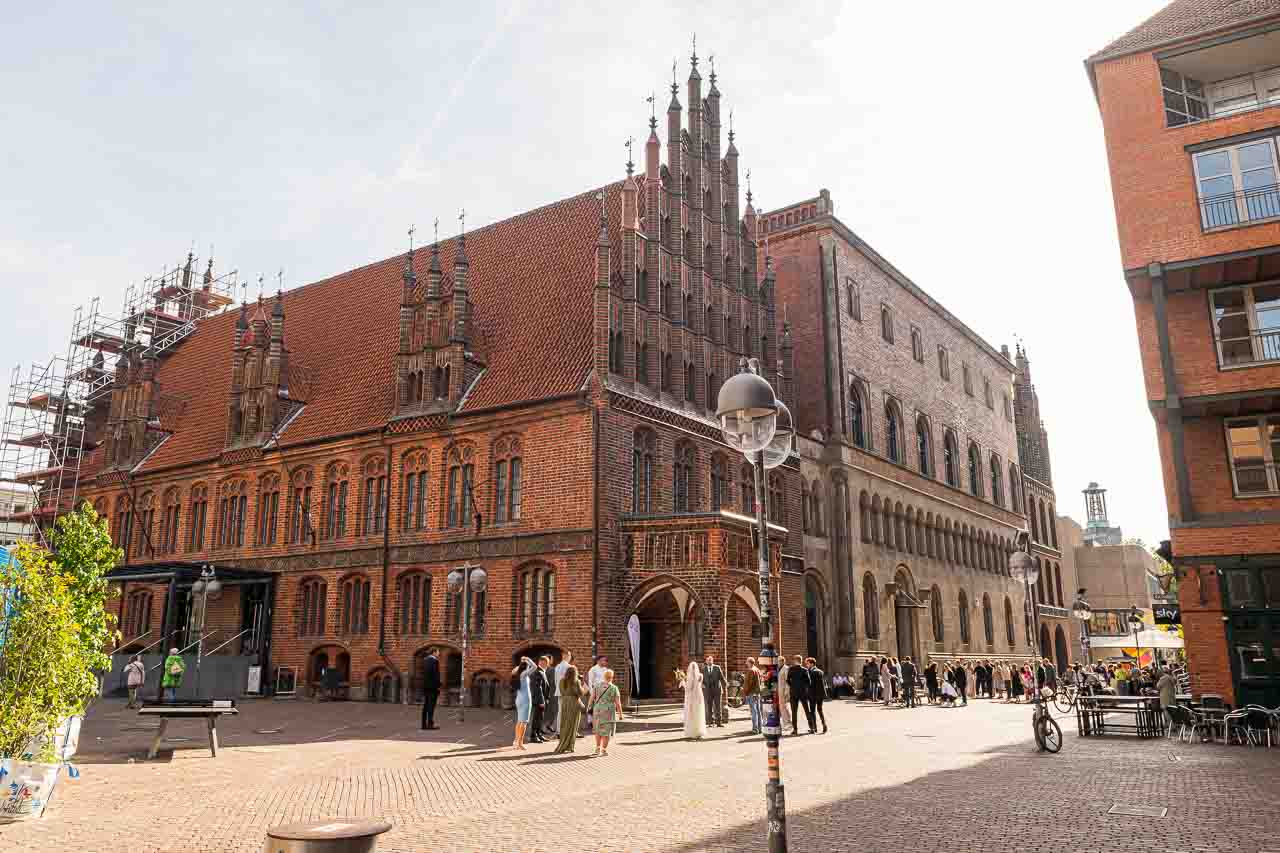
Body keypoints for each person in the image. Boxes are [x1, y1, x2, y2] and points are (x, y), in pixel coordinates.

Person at [553, 664, 587, 754]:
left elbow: (561, 691)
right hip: (574, 703)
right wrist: (582, 685)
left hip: (565, 703)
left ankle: (562, 744)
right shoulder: (576, 681)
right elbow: (579, 693)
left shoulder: (562, 681)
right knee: (573, 725)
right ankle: (570, 746)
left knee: (564, 724)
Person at [591, 669, 623, 756]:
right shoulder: (614, 688)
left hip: (597, 710)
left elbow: (592, 697)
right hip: (608, 711)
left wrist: (589, 707)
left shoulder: (597, 685)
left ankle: (597, 748)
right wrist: (620, 714)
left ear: (604, 676)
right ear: (612, 677)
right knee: (606, 731)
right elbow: (618, 703)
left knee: (598, 730)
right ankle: (604, 750)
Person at [511, 656, 536, 750]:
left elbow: (522, 668)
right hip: (525, 699)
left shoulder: (516, 672)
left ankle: (516, 741)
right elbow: (534, 667)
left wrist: (523, 662)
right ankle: (520, 743)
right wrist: (528, 659)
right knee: (524, 722)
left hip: (518, 699)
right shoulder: (524, 674)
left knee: (519, 721)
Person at [787, 655, 814, 734]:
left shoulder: (791, 669)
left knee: (794, 711)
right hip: (803, 692)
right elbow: (809, 682)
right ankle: (811, 728)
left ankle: (795, 729)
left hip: (793, 692)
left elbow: (788, 680)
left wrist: (792, 686)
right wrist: (804, 687)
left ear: (795, 661)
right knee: (806, 710)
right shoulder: (805, 670)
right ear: (801, 661)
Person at [527, 656, 551, 743]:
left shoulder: (542, 672)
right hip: (539, 700)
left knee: (540, 718)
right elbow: (537, 688)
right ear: (542, 662)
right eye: (547, 663)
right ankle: (533, 736)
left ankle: (539, 734)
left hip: (542, 700)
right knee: (536, 718)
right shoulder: (537, 672)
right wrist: (541, 701)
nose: (547, 665)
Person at [681, 659, 706, 740]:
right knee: (699, 713)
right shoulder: (700, 676)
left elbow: (689, 689)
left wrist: (683, 682)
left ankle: (692, 732)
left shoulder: (690, 678)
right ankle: (699, 731)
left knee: (692, 714)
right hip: (699, 696)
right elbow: (700, 685)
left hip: (692, 698)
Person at [550, 651, 573, 735]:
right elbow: (570, 681)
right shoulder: (569, 667)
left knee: (560, 711)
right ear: (567, 656)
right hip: (567, 692)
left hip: (559, 691)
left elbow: (556, 681)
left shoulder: (557, 666)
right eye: (570, 656)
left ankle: (559, 730)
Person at [585, 655, 608, 733]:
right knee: (595, 708)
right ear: (598, 661)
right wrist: (592, 693)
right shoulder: (593, 669)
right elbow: (590, 681)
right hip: (596, 691)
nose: (604, 662)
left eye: (605, 660)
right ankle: (592, 723)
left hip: (604, 691)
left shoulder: (605, 670)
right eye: (602, 660)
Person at [420, 647, 441, 730]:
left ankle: (423, 724)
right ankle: (430, 724)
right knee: (431, 706)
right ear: (434, 652)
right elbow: (435, 675)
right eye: (438, 652)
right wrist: (438, 685)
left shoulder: (425, 660)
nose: (438, 653)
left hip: (426, 686)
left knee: (426, 705)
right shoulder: (434, 661)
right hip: (432, 687)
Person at [702, 654, 725, 728]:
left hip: (717, 690)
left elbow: (722, 678)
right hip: (708, 691)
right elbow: (701, 679)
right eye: (708, 660)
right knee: (709, 707)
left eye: (710, 660)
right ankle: (710, 722)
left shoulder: (717, 668)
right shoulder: (703, 669)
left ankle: (719, 722)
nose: (709, 661)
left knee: (718, 707)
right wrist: (702, 684)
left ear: (712, 661)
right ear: (706, 661)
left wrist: (725, 685)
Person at [806, 658, 828, 733]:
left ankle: (814, 728)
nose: (807, 665)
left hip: (813, 694)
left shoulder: (811, 672)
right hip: (820, 694)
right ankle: (824, 724)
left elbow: (810, 684)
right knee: (820, 710)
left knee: (812, 711)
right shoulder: (820, 671)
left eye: (807, 663)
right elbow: (824, 683)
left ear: (812, 664)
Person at [743, 658, 762, 735]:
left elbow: (749, 683)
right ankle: (760, 728)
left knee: (753, 711)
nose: (746, 662)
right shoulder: (757, 669)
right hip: (757, 693)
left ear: (750, 662)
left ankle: (755, 729)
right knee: (758, 711)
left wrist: (745, 691)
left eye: (746, 661)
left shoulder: (751, 670)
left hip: (752, 693)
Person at [1156, 667, 1176, 733]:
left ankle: (1172, 726)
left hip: (1165, 698)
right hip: (1172, 697)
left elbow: (1158, 686)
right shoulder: (1171, 677)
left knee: (1167, 712)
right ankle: (1171, 725)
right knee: (1172, 712)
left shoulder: (1163, 678)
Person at [777, 658, 793, 730]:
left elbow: (788, 682)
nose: (777, 662)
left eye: (778, 661)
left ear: (782, 661)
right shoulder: (779, 668)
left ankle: (789, 723)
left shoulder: (786, 668)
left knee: (785, 708)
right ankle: (785, 723)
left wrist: (787, 692)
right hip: (780, 691)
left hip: (784, 691)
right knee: (782, 708)